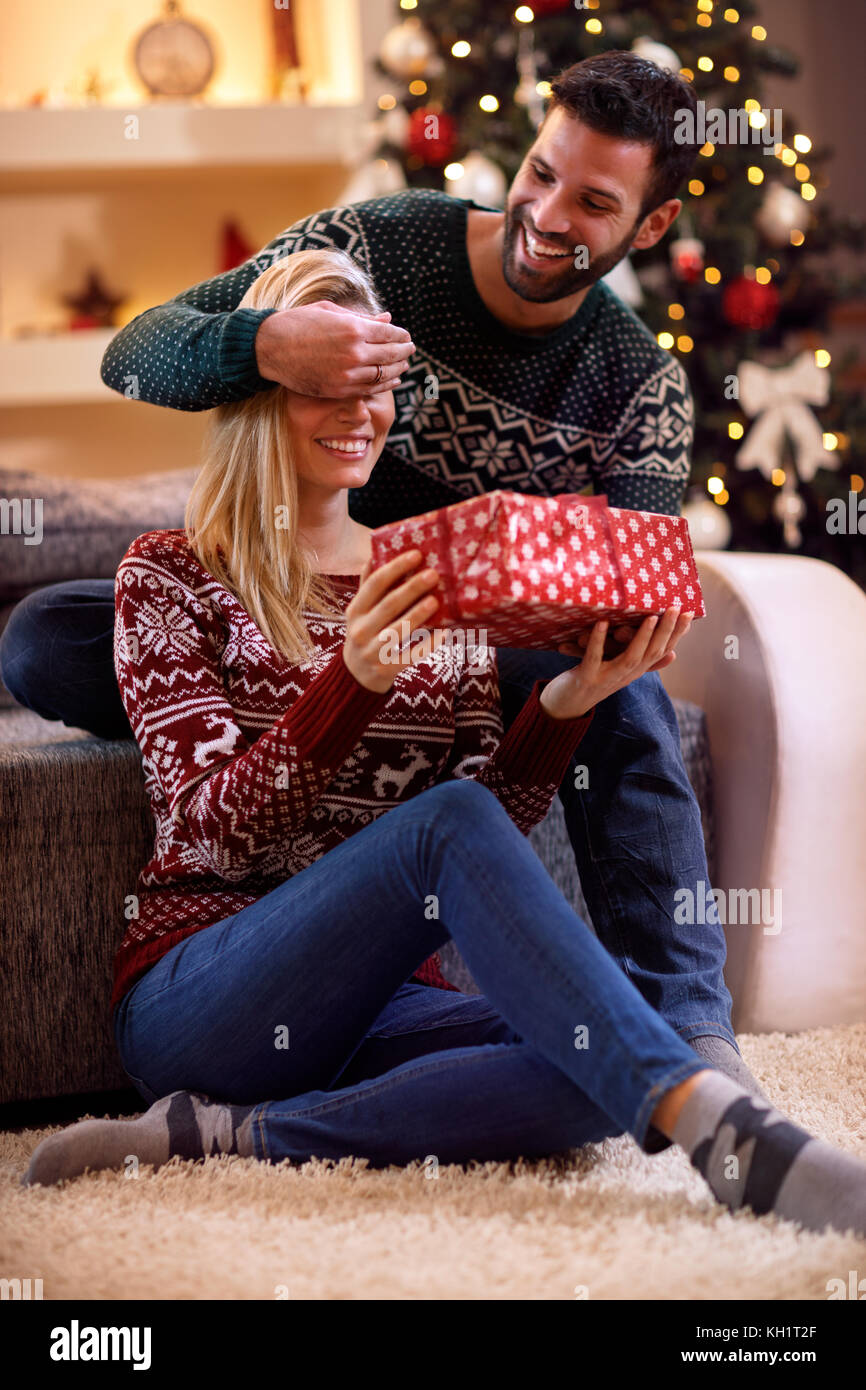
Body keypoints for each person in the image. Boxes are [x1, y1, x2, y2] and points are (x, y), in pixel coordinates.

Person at [21, 250, 866, 1242]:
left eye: (376, 387)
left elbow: (484, 825)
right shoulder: (169, 574)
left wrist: (564, 704)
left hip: (380, 1005)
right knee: (469, 850)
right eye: (326, 386)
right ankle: (728, 1135)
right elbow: (211, 835)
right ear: (259, 392)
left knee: (596, 1057)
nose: (359, 411)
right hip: (206, 990)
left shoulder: (428, 571)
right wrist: (354, 681)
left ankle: (231, 1136)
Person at [3, 53, 757, 1104]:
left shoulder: (640, 386)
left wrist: (545, 624)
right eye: (538, 173)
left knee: (618, 688)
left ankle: (683, 1032)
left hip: (473, 637)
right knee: (42, 636)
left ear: (648, 225)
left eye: (591, 202)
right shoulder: (378, 244)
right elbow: (136, 355)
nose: (543, 213)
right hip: (299, 594)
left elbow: (625, 580)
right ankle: (234, 705)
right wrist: (270, 344)